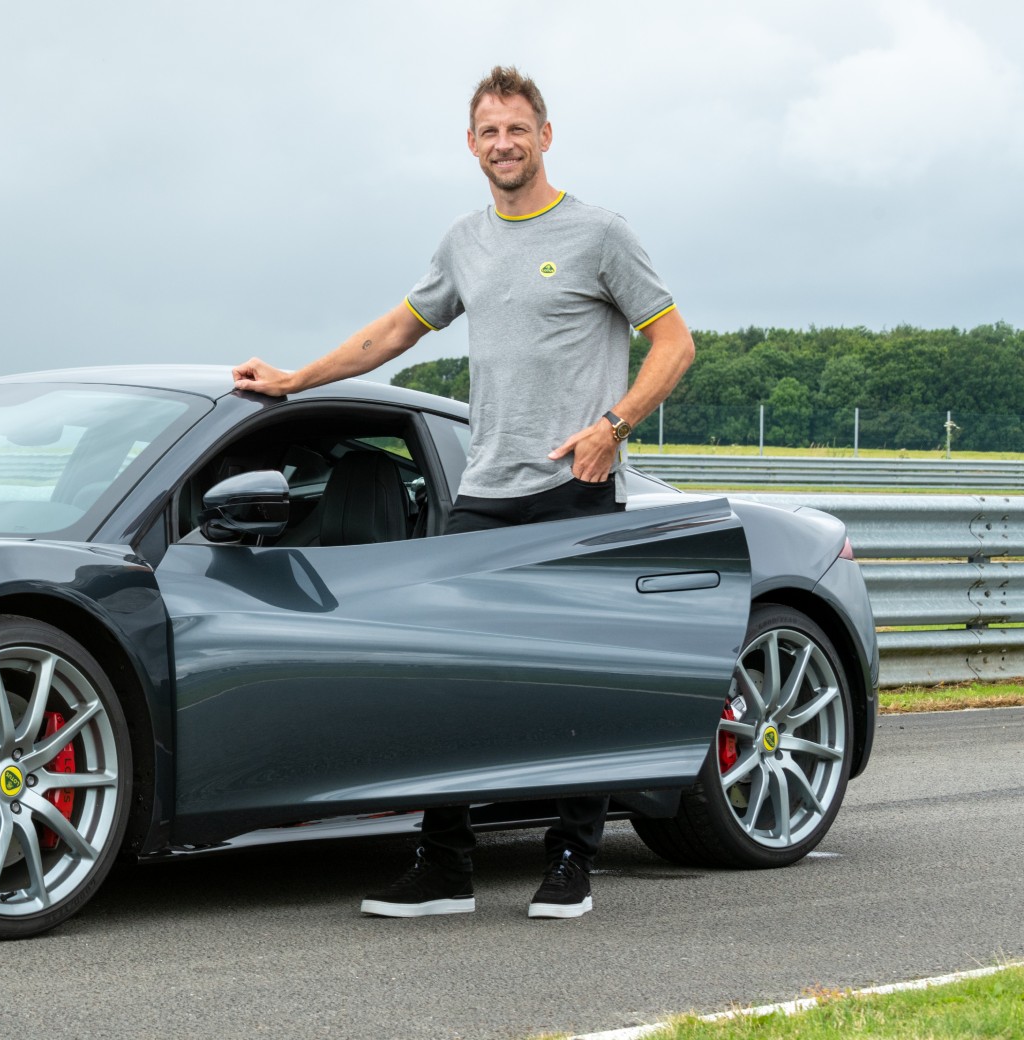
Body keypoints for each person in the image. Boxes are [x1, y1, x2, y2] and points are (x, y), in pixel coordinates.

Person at [229, 65, 696, 920]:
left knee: (573, 681)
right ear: (471, 144)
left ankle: (571, 859)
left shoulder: (600, 234)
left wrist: (614, 426)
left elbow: (674, 343)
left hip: (574, 486)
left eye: (517, 129)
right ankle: (445, 864)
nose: (503, 144)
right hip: (484, 491)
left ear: (545, 136)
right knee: (448, 677)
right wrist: (294, 380)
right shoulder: (464, 242)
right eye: (489, 132)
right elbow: (394, 331)